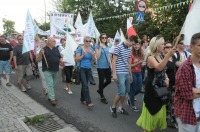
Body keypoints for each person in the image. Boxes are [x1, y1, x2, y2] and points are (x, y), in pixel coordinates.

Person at [136, 35, 176, 131]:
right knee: (150, 116)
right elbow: (159, 67)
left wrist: (166, 78)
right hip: (152, 90)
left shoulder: (161, 55)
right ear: (157, 45)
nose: (164, 46)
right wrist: (168, 55)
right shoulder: (150, 57)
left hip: (161, 88)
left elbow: (164, 70)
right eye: (162, 44)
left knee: (157, 115)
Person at [174, 33, 200, 132]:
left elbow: (191, 92)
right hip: (187, 114)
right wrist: (191, 91)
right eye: (199, 45)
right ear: (191, 47)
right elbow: (187, 94)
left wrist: (194, 91)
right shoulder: (185, 68)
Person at [110, 35, 135, 118]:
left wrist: (130, 74)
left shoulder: (129, 49)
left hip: (126, 73)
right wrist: (114, 74)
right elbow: (113, 61)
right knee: (121, 91)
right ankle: (113, 107)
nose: (132, 46)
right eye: (132, 44)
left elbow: (129, 63)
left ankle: (120, 107)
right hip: (119, 72)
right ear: (128, 39)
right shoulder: (118, 47)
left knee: (126, 91)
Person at [36, 37, 62, 106]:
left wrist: (62, 61)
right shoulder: (43, 49)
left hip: (55, 69)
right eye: (53, 41)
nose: (55, 42)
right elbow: (37, 60)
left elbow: (59, 57)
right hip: (47, 69)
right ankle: (52, 98)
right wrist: (41, 54)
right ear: (49, 42)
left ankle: (50, 95)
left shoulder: (56, 49)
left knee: (53, 83)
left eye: (55, 41)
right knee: (50, 84)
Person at [75, 36, 96, 107]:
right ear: (84, 41)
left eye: (89, 41)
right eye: (86, 41)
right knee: (85, 85)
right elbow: (76, 59)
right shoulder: (80, 49)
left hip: (88, 69)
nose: (88, 42)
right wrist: (83, 55)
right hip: (82, 69)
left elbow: (94, 60)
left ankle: (82, 98)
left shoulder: (91, 49)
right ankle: (88, 101)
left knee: (85, 85)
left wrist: (92, 54)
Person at [163, 42, 178, 128]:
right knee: (166, 102)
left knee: (173, 102)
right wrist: (166, 79)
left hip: (174, 83)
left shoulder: (173, 57)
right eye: (167, 47)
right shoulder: (163, 57)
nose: (169, 49)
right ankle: (166, 119)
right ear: (164, 49)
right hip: (166, 84)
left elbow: (177, 64)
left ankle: (171, 120)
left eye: (170, 47)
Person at [127, 40, 144, 112]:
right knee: (133, 88)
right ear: (133, 46)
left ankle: (130, 96)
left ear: (140, 46)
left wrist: (142, 64)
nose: (136, 46)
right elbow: (129, 66)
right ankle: (133, 105)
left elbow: (142, 64)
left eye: (138, 45)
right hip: (133, 73)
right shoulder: (130, 54)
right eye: (135, 45)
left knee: (139, 88)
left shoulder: (141, 53)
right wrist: (138, 63)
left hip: (139, 72)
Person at [95, 33, 111, 104]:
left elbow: (109, 56)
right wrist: (101, 47)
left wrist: (111, 65)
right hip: (100, 67)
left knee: (109, 80)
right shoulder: (97, 46)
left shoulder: (108, 46)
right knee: (101, 81)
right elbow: (97, 57)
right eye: (102, 38)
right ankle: (102, 96)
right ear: (100, 39)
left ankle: (100, 90)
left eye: (105, 37)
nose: (104, 39)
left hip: (107, 66)